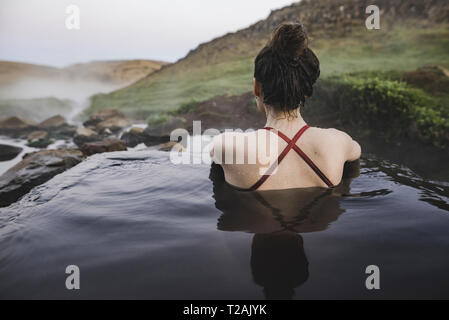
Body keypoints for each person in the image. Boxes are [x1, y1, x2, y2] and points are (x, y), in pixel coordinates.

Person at [210, 22, 361, 191]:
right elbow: (356, 152)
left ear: (256, 87)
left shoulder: (227, 146)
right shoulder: (338, 142)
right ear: (307, 90)